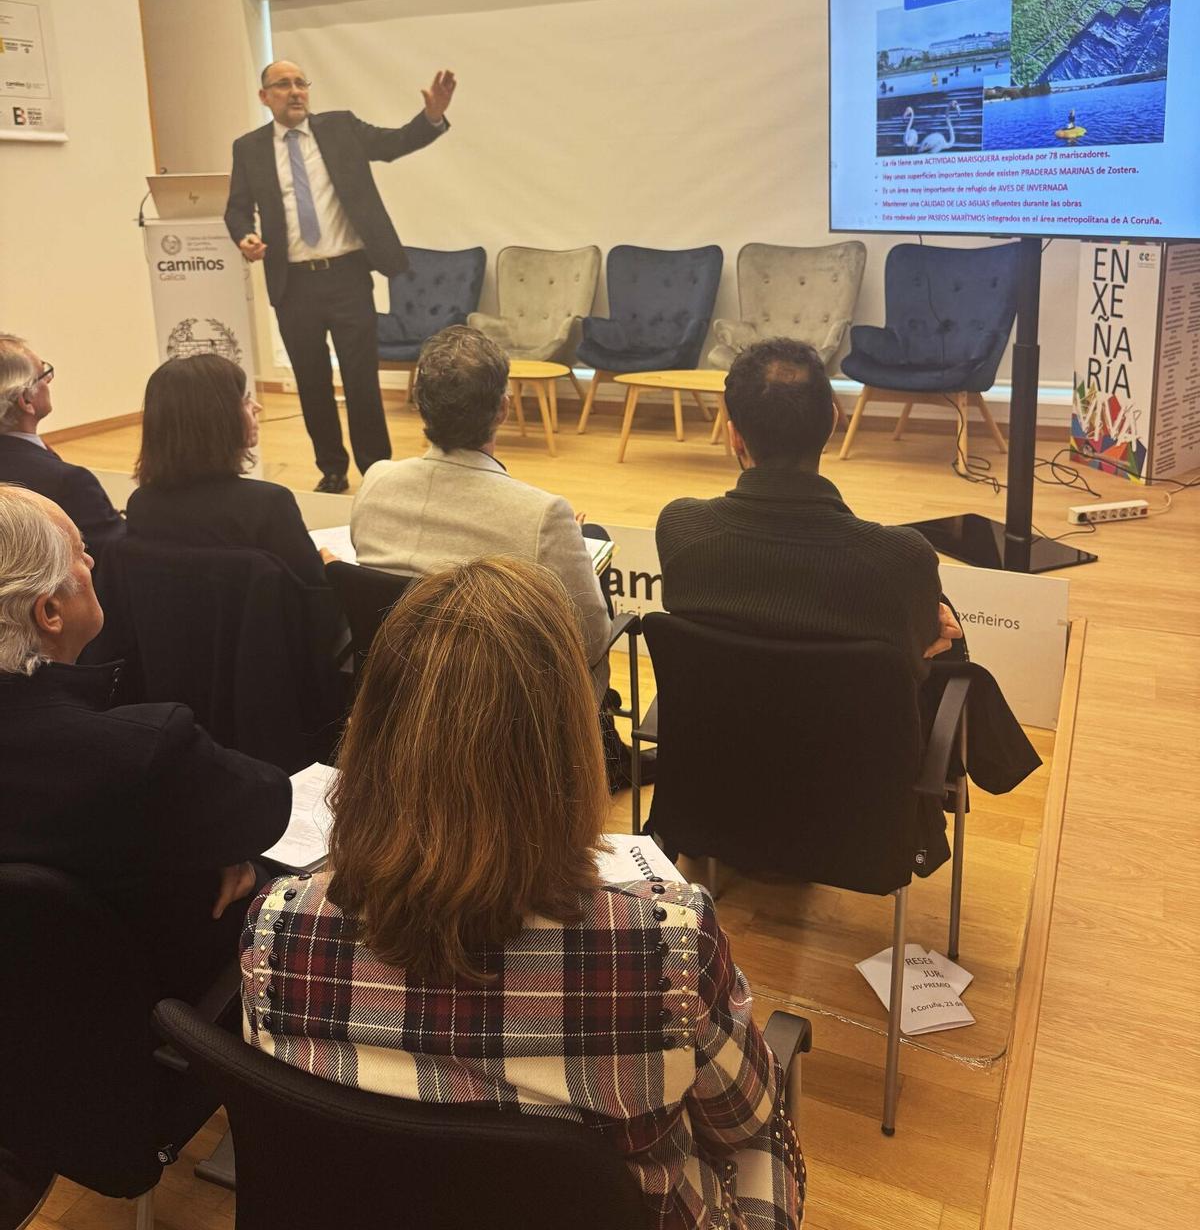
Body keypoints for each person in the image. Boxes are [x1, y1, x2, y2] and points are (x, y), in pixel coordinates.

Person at [241, 558, 804, 1229]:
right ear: (569, 743)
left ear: (373, 732)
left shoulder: (276, 932)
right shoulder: (665, 950)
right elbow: (747, 1114)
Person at [656, 338, 1041, 863]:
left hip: (717, 797)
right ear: (834, 422)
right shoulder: (899, 558)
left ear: (732, 437)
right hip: (861, 822)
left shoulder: (680, 528)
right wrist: (923, 640)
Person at [0, 486, 291, 1000]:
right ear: (50, 613)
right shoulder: (139, 753)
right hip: (141, 1006)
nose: (93, 559)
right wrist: (216, 840)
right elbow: (268, 803)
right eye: (77, 552)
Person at [224, 58, 457, 493]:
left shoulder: (340, 127)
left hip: (348, 275)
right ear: (264, 97)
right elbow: (236, 208)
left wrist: (432, 116)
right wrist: (245, 236)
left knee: (361, 378)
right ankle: (331, 469)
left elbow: (395, 142)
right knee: (311, 382)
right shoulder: (249, 148)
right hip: (293, 283)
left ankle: (377, 471)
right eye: (283, 85)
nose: (295, 91)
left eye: (301, 83)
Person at [351, 325, 612, 702]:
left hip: (395, 699)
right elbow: (590, 643)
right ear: (504, 408)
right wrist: (562, 543)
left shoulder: (375, 481)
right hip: (503, 716)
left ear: (419, 403)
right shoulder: (544, 516)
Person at [126, 353, 332, 585]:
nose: (258, 407)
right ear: (216, 417)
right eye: (245, 400)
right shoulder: (269, 505)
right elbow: (316, 600)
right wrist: (331, 567)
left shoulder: (141, 505)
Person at [0, 333, 125, 557]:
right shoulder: (69, 482)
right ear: (26, 400)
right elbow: (115, 554)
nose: (49, 381)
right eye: (43, 374)